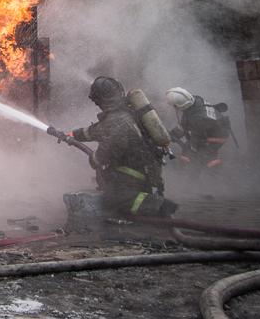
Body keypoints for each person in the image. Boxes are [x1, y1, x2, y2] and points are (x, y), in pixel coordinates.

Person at [71, 77, 177, 217]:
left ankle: (159, 207)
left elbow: (104, 155)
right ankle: (143, 198)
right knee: (111, 188)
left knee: (112, 200)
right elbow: (97, 130)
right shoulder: (125, 111)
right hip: (146, 168)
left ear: (99, 100)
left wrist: (93, 159)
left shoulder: (115, 120)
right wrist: (74, 135)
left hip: (136, 173)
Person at [165, 87, 233, 172]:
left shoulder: (198, 119)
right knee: (191, 147)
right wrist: (173, 134)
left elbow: (196, 139)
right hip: (211, 129)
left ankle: (212, 170)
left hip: (217, 137)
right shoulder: (196, 100)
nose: (174, 108)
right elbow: (186, 123)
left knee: (193, 153)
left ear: (179, 106)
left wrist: (190, 151)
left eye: (174, 106)